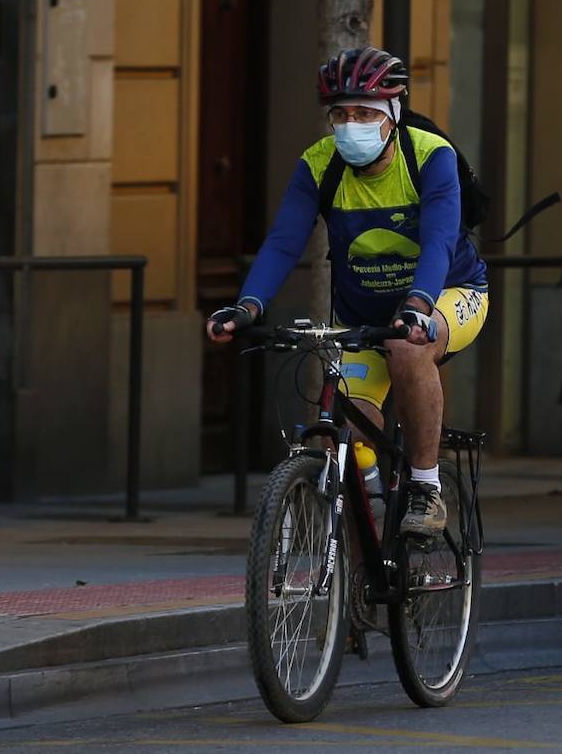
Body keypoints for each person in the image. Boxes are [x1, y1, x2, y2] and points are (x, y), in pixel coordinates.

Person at [206, 47, 488, 536]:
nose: (350, 124)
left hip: (449, 293)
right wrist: (248, 305)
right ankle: (366, 536)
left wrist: (419, 304)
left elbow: (440, 241)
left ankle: (426, 489)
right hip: (362, 311)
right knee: (346, 432)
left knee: (407, 347)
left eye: (364, 113)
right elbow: (283, 242)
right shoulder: (319, 164)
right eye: (340, 114)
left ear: (393, 114)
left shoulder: (429, 155)